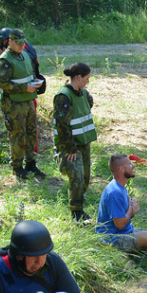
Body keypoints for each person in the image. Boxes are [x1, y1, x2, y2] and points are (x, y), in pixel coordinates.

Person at [0, 29, 47, 181]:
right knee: (18, 134)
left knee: (32, 132)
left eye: (22, 43)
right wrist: (24, 88)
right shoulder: (4, 61)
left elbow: (28, 75)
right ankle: (17, 166)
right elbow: (4, 84)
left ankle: (31, 163)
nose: (20, 46)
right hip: (13, 103)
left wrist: (36, 83)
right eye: (17, 43)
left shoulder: (24, 55)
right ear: (10, 42)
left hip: (28, 100)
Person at [53, 63, 97, 222]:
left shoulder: (84, 94)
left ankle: (80, 208)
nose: (88, 82)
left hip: (84, 143)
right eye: (86, 79)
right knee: (76, 176)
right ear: (78, 77)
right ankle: (76, 212)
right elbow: (62, 125)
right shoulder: (63, 96)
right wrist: (70, 149)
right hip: (70, 146)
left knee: (85, 177)